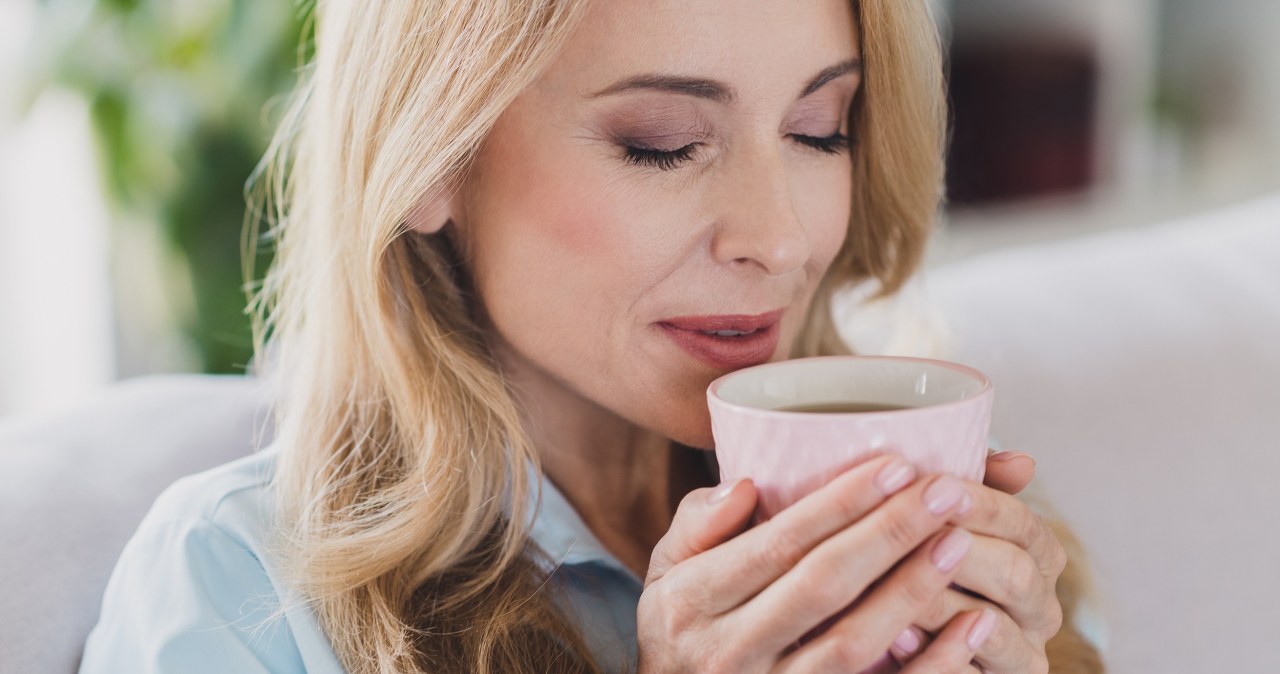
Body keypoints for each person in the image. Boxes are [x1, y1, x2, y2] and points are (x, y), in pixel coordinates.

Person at [79, 0, 1104, 672]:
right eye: (660, 145)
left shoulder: (946, 532)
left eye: (817, 129)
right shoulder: (236, 585)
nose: (778, 236)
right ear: (433, 155)